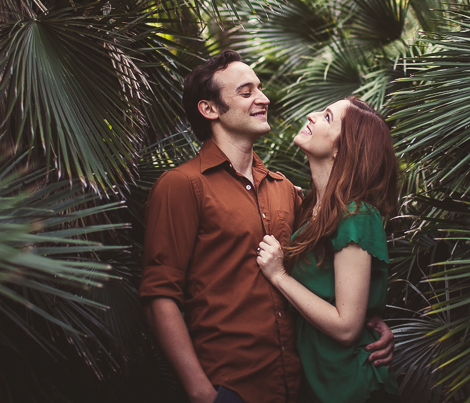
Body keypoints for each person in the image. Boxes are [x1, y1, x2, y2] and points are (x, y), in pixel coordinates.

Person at [140, 51, 394, 403]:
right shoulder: (182, 185)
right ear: (210, 109)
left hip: (299, 384)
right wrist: (201, 393)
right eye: (246, 93)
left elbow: (327, 274)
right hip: (231, 386)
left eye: (260, 88)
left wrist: (369, 320)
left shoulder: (288, 192)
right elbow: (159, 296)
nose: (263, 98)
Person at [256, 97, 400, 403]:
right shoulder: (309, 210)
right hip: (315, 381)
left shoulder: (357, 217)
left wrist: (279, 275)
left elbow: (347, 327)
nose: (311, 115)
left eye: (326, 117)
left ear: (341, 148)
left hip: (350, 386)